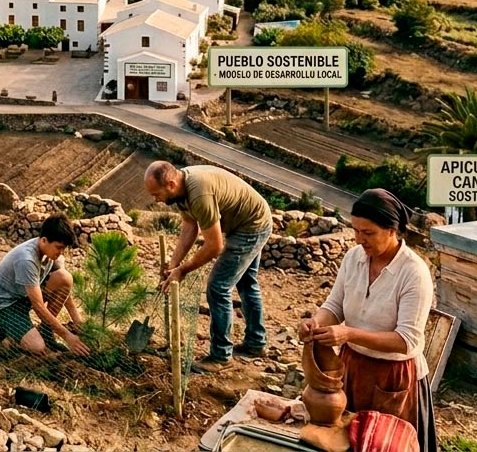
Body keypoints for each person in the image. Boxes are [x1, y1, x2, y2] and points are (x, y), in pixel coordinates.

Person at [300, 189, 436, 452]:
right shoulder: (354, 258)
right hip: (352, 366)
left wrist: (349, 334)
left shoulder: (413, 273)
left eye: (368, 233)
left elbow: (407, 341)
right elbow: (334, 305)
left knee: (383, 445)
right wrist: (315, 322)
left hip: (393, 378)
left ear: (392, 230)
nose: (360, 239)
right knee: (346, 441)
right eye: (356, 231)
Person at [145, 160, 272, 372]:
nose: (156, 200)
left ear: (171, 185)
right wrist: (173, 265)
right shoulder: (181, 191)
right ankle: (255, 344)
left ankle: (221, 356)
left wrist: (183, 270)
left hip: (252, 226)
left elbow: (214, 246)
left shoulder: (199, 194)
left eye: (156, 194)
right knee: (246, 283)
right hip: (246, 221)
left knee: (218, 286)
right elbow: (189, 227)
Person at [0, 214, 89, 356]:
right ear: (44, 240)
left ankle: (45, 333)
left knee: (64, 278)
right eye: (58, 247)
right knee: (37, 347)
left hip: (23, 296)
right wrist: (67, 335)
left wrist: (77, 321)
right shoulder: (27, 259)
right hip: (6, 305)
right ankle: (3, 332)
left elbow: (64, 288)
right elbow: (38, 306)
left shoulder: (50, 253)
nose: (60, 252)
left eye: (63, 249)